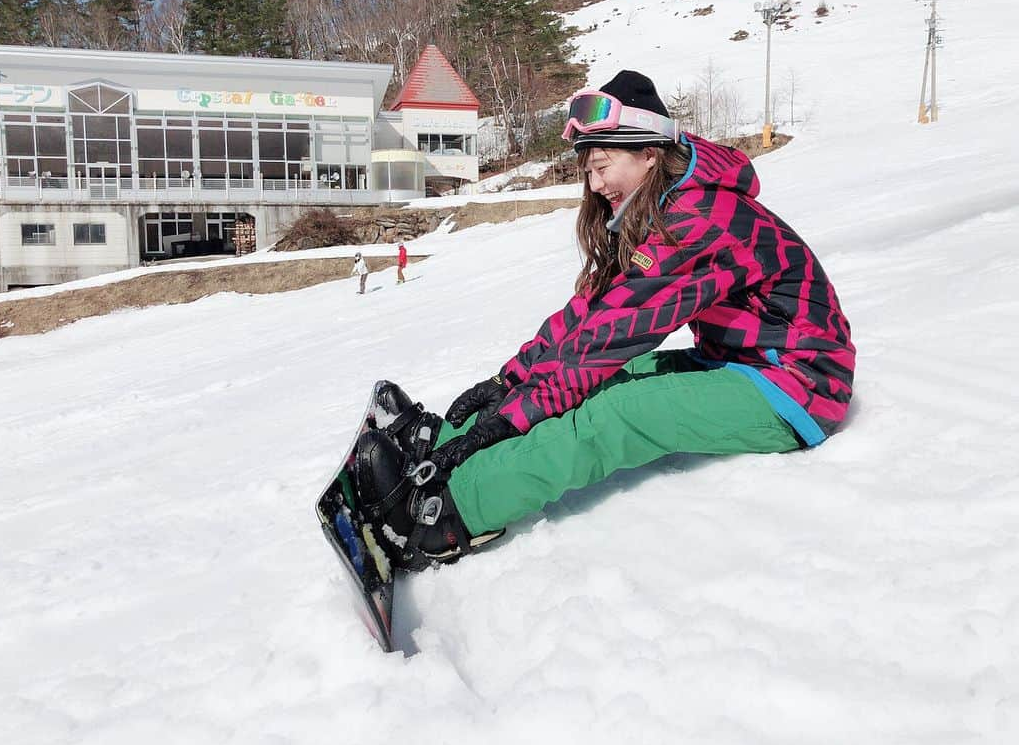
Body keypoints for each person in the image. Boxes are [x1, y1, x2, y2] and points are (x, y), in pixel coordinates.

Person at [355, 70, 856, 571]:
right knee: (610, 381)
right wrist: (509, 381)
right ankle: (439, 456)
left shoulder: (702, 218)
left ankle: (447, 515)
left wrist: (510, 418)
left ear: (648, 152)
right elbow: (592, 312)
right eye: (588, 171)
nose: (594, 185)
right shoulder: (663, 205)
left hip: (797, 388)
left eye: (601, 166)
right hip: (739, 364)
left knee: (617, 412)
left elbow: (615, 336)